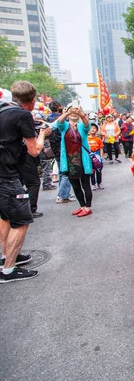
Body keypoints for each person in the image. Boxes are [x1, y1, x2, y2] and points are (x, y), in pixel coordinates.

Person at [0, 81, 52, 282]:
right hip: (8, 175)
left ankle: (7, 257)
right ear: (31, 102)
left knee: (5, 217)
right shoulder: (22, 115)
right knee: (21, 221)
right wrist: (42, 134)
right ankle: (8, 270)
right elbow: (34, 150)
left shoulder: (3, 110)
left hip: (3, 173)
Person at [56, 105, 94, 217]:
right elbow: (59, 123)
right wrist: (67, 113)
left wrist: (81, 114)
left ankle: (88, 207)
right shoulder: (64, 126)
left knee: (85, 185)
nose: (74, 113)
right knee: (75, 186)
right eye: (71, 110)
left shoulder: (83, 126)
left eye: (77, 110)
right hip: (69, 162)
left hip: (83, 160)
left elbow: (88, 125)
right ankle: (82, 206)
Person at [88, 123, 104, 190]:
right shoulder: (86, 138)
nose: (92, 129)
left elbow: (101, 148)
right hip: (89, 155)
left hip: (97, 154)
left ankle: (99, 183)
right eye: (91, 128)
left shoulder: (98, 139)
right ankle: (93, 184)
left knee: (99, 170)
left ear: (97, 130)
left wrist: (101, 157)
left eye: (94, 128)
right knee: (92, 170)